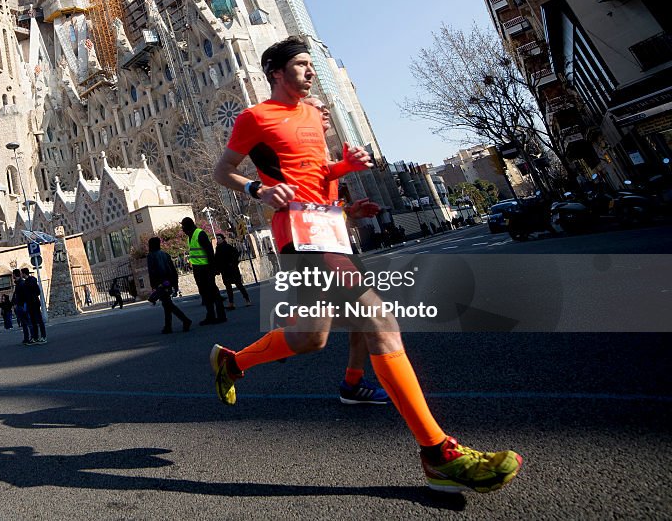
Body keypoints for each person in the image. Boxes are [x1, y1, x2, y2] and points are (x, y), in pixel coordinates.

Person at [209, 35, 521, 493]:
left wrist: (344, 172)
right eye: (300, 64)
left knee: (311, 336)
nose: (309, 71)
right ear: (275, 72)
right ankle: (437, 452)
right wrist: (256, 190)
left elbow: (314, 173)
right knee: (379, 319)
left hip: (329, 226)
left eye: (311, 64)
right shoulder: (255, 117)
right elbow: (223, 170)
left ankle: (233, 364)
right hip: (298, 229)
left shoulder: (315, 114)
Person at [302, 95, 389, 406]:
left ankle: (353, 384)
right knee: (373, 317)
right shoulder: (302, 153)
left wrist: (349, 211)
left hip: (336, 243)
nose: (324, 111)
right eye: (316, 108)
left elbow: (322, 203)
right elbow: (302, 205)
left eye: (325, 107)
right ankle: (432, 440)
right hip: (321, 249)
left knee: (357, 321)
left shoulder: (322, 150)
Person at [181, 217, 226, 325]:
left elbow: (209, 251)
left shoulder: (199, 234)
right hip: (198, 269)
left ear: (188, 226)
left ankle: (221, 316)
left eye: (183, 226)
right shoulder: (190, 237)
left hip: (206, 268)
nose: (182, 228)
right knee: (204, 293)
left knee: (213, 292)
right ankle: (210, 315)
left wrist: (213, 268)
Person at [146, 237, 192, 334]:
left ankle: (185, 320)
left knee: (168, 304)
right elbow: (173, 269)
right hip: (168, 282)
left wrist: (154, 285)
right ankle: (168, 326)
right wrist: (175, 284)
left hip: (160, 283)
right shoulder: (165, 254)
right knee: (167, 304)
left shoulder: (151, 256)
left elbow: (152, 272)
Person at [213, 234, 251, 309]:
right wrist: (217, 269)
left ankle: (247, 300)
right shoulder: (218, 248)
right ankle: (231, 303)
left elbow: (236, 254)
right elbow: (217, 260)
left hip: (232, 270)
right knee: (228, 287)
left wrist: (232, 264)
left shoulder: (228, 247)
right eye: (217, 239)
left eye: (219, 238)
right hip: (224, 271)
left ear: (223, 239)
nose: (218, 240)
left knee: (239, 285)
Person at [21, 268, 46, 344]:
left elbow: (37, 291)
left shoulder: (31, 281)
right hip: (30, 303)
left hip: (34, 302)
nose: (21, 274)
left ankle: (43, 336)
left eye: (22, 273)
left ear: (24, 273)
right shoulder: (26, 282)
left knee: (39, 319)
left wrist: (32, 296)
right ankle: (36, 337)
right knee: (33, 321)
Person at [12, 269, 32, 345]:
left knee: (27, 322)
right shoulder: (18, 284)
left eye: (13, 274)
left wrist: (24, 305)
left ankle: (31, 337)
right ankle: (26, 338)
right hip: (20, 305)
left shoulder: (21, 283)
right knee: (24, 323)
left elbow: (23, 295)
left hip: (22, 305)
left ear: (14, 274)